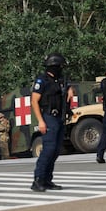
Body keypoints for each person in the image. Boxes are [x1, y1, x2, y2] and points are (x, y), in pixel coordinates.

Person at [30, 53, 68, 192]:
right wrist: (41, 121)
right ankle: (38, 180)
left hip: (59, 118)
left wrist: (70, 90)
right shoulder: (42, 80)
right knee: (48, 149)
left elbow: (65, 91)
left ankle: (47, 180)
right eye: (60, 66)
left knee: (56, 150)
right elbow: (34, 100)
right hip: (48, 117)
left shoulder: (59, 81)